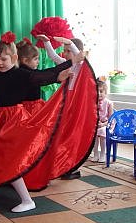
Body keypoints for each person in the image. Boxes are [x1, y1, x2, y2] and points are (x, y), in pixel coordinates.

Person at [0, 33, 76, 212]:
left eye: (3, 59)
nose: (0, 63)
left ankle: (27, 200)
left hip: (14, 121)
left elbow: (41, 76)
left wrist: (62, 72)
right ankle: (4, 182)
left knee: (9, 158)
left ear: (14, 57)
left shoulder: (21, 74)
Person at [35, 34, 97, 180]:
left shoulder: (82, 66)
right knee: (62, 134)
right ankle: (63, 164)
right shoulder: (67, 63)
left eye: (68, 51)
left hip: (76, 105)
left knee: (72, 134)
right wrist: (47, 42)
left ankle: (70, 165)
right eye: (65, 51)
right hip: (66, 103)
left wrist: (71, 43)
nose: (65, 53)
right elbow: (54, 56)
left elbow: (79, 56)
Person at [92, 79, 114, 163]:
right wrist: (96, 123)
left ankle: (102, 154)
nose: (99, 93)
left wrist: (103, 124)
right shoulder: (93, 103)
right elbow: (92, 116)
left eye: (101, 91)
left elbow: (111, 118)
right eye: (96, 91)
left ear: (105, 92)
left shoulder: (109, 103)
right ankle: (95, 154)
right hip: (96, 124)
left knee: (102, 132)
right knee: (93, 134)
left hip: (107, 124)